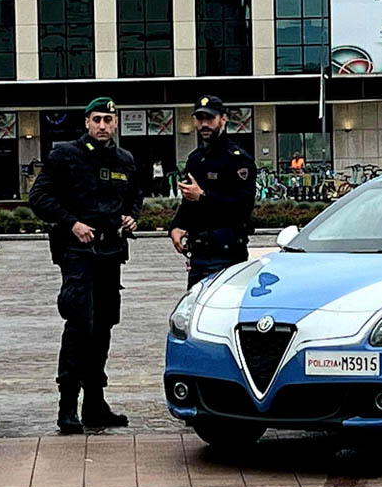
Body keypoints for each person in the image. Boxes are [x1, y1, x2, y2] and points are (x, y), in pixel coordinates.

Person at [29, 96, 143, 434]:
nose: (103, 126)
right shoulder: (65, 155)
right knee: (80, 326)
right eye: (97, 120)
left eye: (108, 120)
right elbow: (39, 198)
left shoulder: (124, 159)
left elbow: (135, 195)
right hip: (77, 254)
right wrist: (71, 223)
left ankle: (95, 403)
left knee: (104, 327)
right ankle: (67, 406)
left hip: (110, 253)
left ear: (116, 123)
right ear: (86, 123)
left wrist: (131, 216)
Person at [169, 95, 257, 288]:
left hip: (226, 253)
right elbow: (188, 202)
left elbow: (243, 206)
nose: (204, 124)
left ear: (223, 119)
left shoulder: (237, 159)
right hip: (199, 253)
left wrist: (203, 197)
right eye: (200, 119)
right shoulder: (195, 159)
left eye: (210, 119)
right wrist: (176, 226)